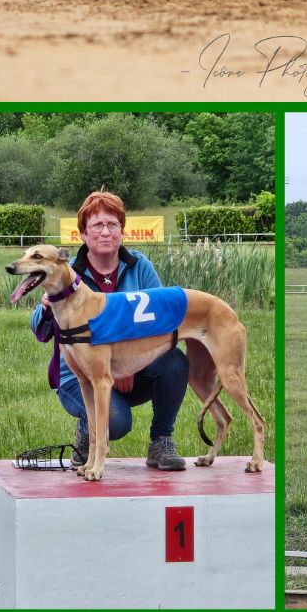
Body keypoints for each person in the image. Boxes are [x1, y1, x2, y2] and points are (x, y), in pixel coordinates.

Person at [30, 190, 189, 471]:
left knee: (175, 360)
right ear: (82, 234)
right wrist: (45, 308)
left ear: (122, 232)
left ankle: (161, 441)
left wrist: (129, 368)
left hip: (129, 365)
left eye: (112, 225)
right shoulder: (68, 270)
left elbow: (160, 319)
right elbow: (40, 332)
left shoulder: (140, 266)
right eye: (96, 226)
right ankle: (86, 431)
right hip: (80, 376)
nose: (105, 232)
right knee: (115, 423)